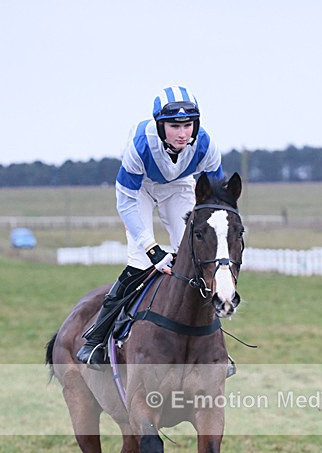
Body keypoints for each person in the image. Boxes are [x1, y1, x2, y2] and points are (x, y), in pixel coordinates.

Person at [77, 86, 223, 367]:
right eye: (174, 126)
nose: (183, 133)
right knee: (141, 262)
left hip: (179, 186)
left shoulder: (206, 145)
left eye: (188, 125)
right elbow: (127, 203)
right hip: (139, 189)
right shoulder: (140, 146)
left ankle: (215, 348)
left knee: (195, 259)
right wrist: (151, 248)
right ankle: (96, 339)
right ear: (160, 126)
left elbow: (215, 197)